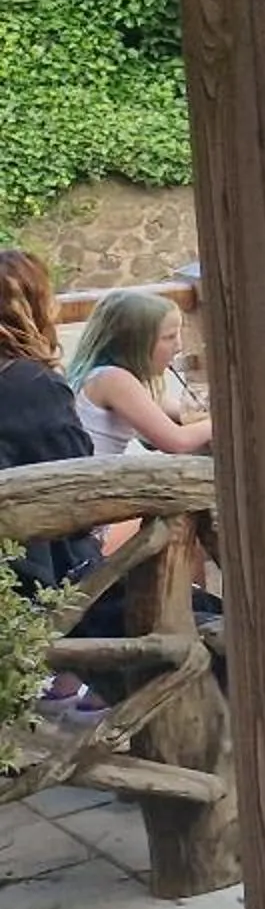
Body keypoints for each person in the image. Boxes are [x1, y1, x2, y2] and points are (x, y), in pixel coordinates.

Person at [1, 251, 102, 723]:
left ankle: (65, 683)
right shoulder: (31, 384)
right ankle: (101, 688)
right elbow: (78, 484)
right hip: (34, 577)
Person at [67, 288, 212, 458]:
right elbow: (177, 441)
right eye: (169, 337)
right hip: (95, 473)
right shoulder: (113, 380)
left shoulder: (100, 375)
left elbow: (174, 410)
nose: (179, 346)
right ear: (135, 343)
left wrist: (198, 412)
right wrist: (220, 423)